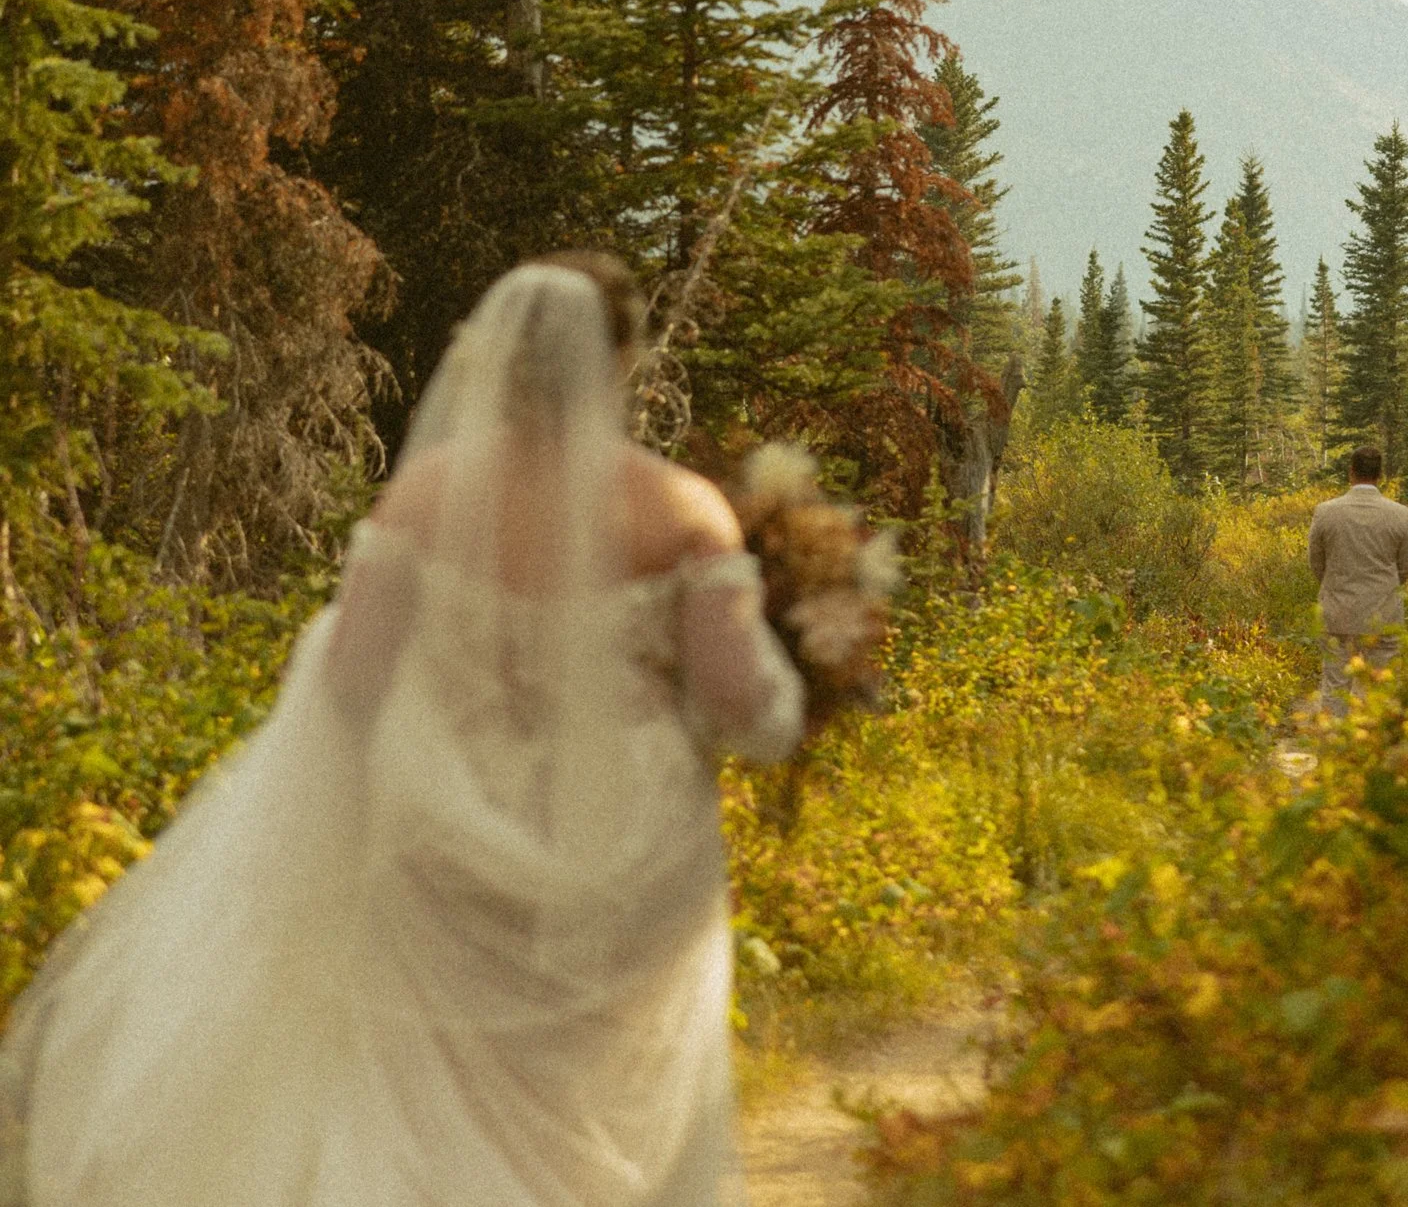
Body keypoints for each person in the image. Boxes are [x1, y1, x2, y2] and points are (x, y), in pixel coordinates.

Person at [0, 255, 806, 1205]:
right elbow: (742, 705)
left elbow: (349, 682)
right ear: (620, 358)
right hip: (625, 839)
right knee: (600, 1078)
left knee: (446, 1086)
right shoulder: (680, 510)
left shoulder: (427, 497)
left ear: (503, 359)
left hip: (449, 827)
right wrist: (803, 688)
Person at [1308, 445, 1408, 714]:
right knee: (1383, 689)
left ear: (1351, 472)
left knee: (1335, 688)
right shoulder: (1400, 514)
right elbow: (1406, 566)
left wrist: (1335, 584)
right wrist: (1385, 588)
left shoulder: (1326, 512)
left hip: (1338, 612)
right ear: (1380, 474)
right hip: (1384, 614)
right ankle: (1377, 749)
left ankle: (1335, 750)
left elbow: (1316, 562)